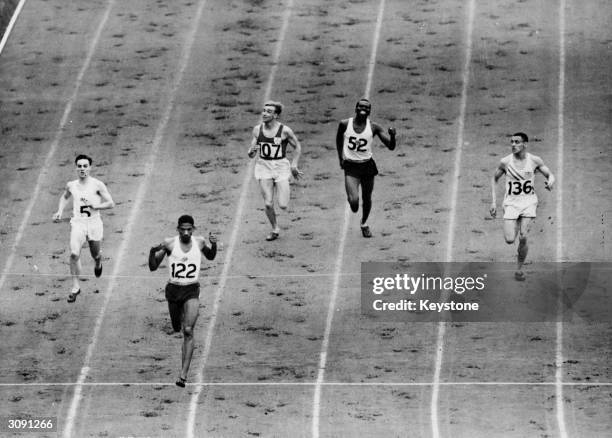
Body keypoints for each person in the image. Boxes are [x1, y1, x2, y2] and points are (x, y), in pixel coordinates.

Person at [148, 215, 217, 388]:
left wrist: (214, 244)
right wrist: (152, 252)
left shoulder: (199, 242)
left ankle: (183, 375)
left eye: (189, 229)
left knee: (188, 330)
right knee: (176, 326)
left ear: (193, 229)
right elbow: (153, 266)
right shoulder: (169, 243)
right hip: (173, 290)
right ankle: (178, 326)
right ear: (178, 229)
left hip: (191, 290)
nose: (186, 232)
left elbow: (211, 257)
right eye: (183, 229)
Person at [490, 132, 555, 281]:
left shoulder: (534, 160)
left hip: (528, 202)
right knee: (509, 239)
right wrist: (493, 202)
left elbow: (550, 174)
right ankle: (517, 222)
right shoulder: (505, 162)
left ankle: (519, 270)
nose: (513, 144)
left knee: (524, 237)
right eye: (512, 142)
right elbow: (494, 179)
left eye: (517, 142)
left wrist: (551, 181)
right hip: (511, 204)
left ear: (525, 144)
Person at [53, 154, 115, 302]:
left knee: (95, 254)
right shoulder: (71, 185)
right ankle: (75, 286)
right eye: (79, 166)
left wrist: (96, 206)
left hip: (94, 223)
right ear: (76, 168)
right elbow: (65, 197)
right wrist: (60, 211)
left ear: (90, 168)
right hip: (78, 223)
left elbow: (111, 203)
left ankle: (98, 262)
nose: (82, 169)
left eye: (85, 166)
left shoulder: (97, 185)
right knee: (74, 254)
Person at [336, 98, 396, 237]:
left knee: (367, 197)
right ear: (356, 108)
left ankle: (364, 223)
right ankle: (351, 198)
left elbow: (391, 146)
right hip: (351, 166)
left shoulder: (374, 127)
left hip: (367, 166)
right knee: (354, 203)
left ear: (370, 111)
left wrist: (393, 136)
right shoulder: (345, 124)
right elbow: (339, 140)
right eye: (361, 106)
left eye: (367, 107)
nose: (364, 109)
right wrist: (340, 158)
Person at [247, 101, 303, 241]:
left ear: (276, 115)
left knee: (283, 205)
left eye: (269, 112)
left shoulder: (285, 131)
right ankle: (275, 228)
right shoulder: (257, 130)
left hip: (280, 166)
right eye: (264, 110)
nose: (265, 113)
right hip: (263, 166)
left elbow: (297, 147)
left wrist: (294, 164)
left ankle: (281, 184)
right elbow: (252, 152)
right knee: (267, 203)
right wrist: (251, 152)